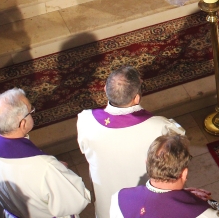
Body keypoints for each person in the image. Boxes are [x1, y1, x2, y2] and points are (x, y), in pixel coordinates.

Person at [77, 66, 185, 218]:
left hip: (108, 205)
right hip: (145, 204)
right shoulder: (159, 127)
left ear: (105, 89)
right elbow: (179, 144)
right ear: (137, 98)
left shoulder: (85, 119)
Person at [0, 88, 91, 217]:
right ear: (23, 123)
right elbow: (77, 201)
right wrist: (58, 172)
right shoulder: (45, 168)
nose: (32, 113)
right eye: (31, 111)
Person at [110, 134, 219, 218]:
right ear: (184, 173)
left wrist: (182, 197)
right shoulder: (204, 214)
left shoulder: (119, 198)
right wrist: (211, 202)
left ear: (147, 163)